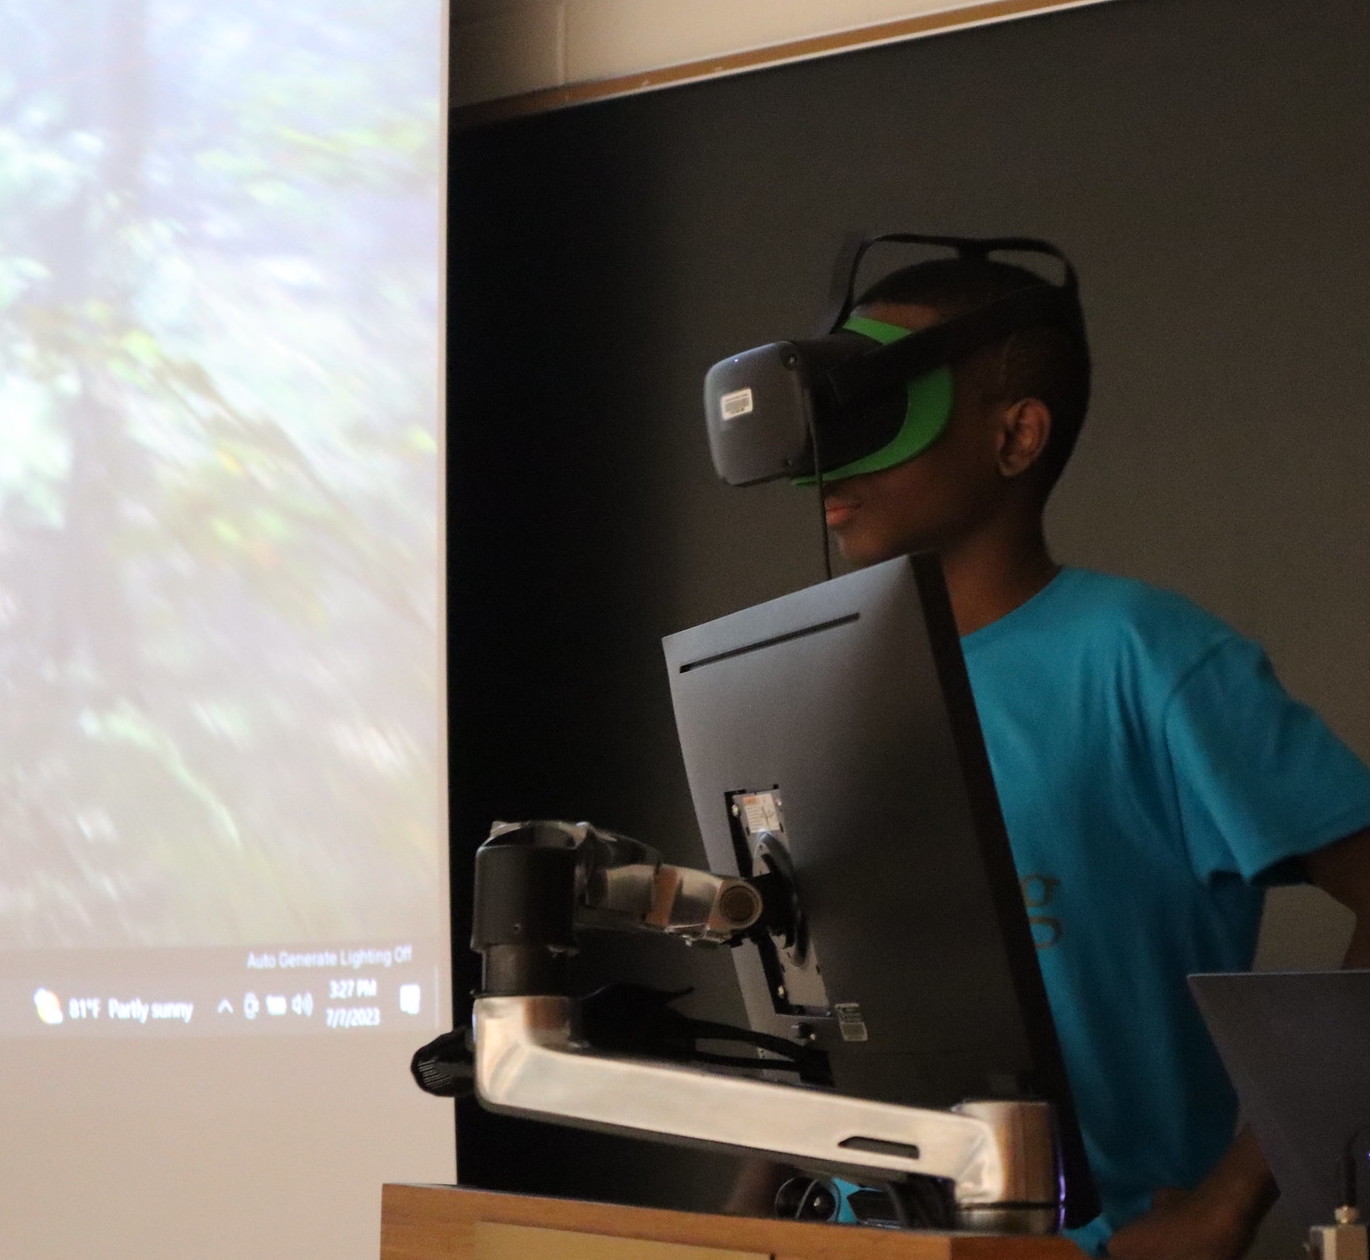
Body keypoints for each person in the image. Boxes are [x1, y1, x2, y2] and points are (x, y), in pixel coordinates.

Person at [804, 254, 1370, 1258]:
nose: (830, 463)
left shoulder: (1145, 657)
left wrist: (1231, 1202)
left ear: (1013, 434)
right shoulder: (828, 683)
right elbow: (816, 990)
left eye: (882, 412)